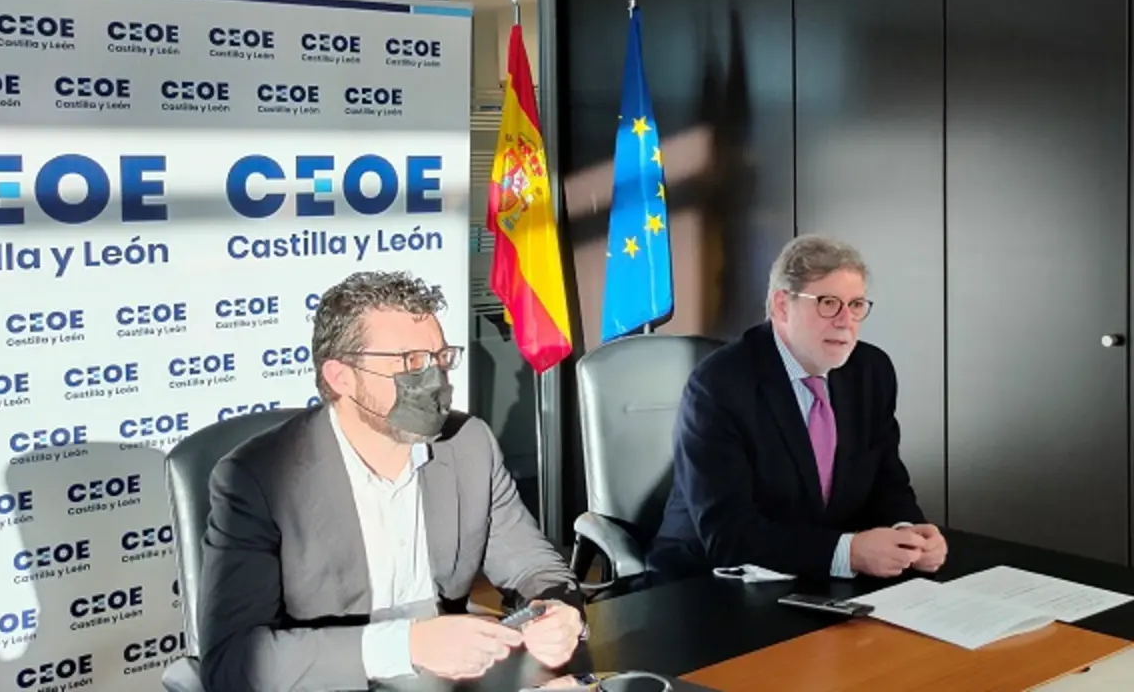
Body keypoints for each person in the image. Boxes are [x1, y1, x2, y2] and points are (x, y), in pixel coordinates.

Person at [197, 271, 586, 692]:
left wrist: (558, 610)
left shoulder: (468, 444)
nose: (435, 379)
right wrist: (407, 645)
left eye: (440, 358)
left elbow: (532, 564)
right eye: (410, 362)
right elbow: (233, 660)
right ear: (341, 377)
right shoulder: (257, 478)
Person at [646, 234, 947, 582]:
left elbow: (887, 481)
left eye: (855, 305)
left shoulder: (871, 371)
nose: (845, 321)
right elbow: (729, 535)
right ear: (781, 306)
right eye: (828, 303)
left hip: (820, 576)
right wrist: (848, 553)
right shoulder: (718, 385)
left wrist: (909, 532)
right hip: (709, 581)